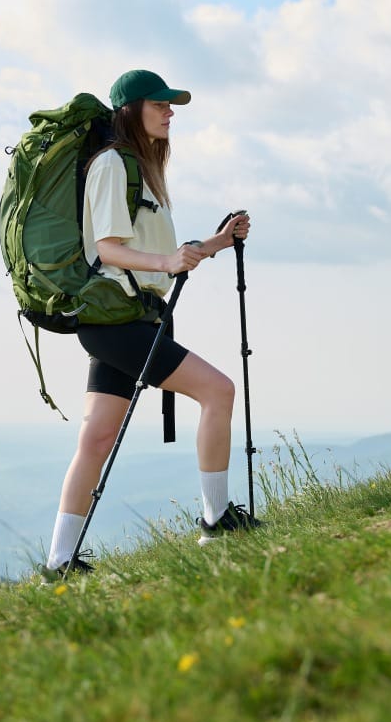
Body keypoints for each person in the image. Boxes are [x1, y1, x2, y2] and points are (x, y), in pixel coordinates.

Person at [39, 69, 262, 579]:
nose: (170, 112)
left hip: (122, 316)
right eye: (159, 104)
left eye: (171, 105)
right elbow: (110, 251)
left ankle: (58, 563)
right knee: (218, 391)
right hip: (117, 319)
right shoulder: (113, 165)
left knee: (96, 439)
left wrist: (216, 242)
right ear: (130, 109)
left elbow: (160, 254)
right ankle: (215, 521)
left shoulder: (138, 170)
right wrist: (168, 264)